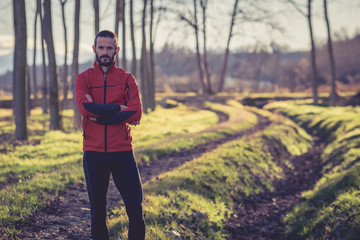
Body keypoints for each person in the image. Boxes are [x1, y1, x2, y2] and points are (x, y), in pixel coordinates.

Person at [75, 30, 145, 240]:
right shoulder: (83, 78)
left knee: (134, 207)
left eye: (109, 47)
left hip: (123, 152)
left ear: (117, 49)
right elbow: (85, 109)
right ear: (94, 49)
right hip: (94, 153)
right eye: (101, 47)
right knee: (98, 212)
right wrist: (119, 110)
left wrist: (101, 114)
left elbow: (137, 112)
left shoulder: (127, 79)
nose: (105, 52)